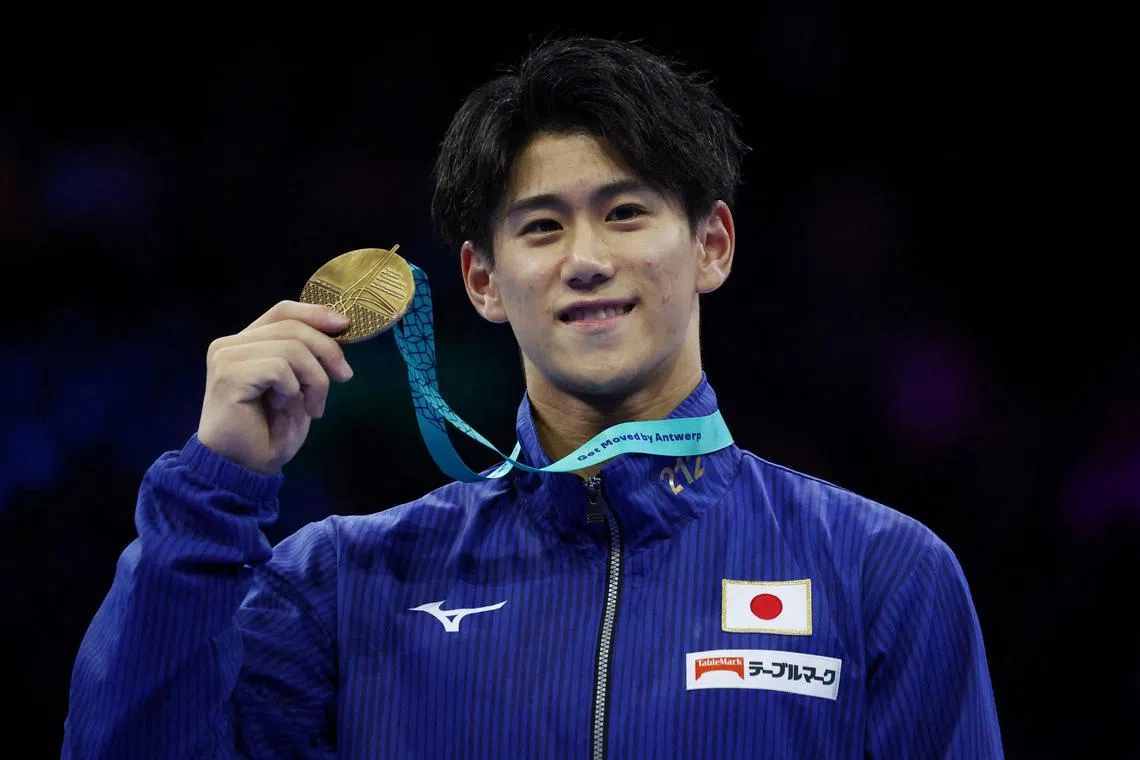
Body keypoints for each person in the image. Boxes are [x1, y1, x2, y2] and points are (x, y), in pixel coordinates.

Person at [62, 34, 1004, 759]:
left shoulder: (880, 573)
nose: (587, 261)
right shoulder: (345, 586)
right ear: (481, 279)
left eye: (626, 212)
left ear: (712, 244)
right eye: (542, 226)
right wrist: (213, 490)